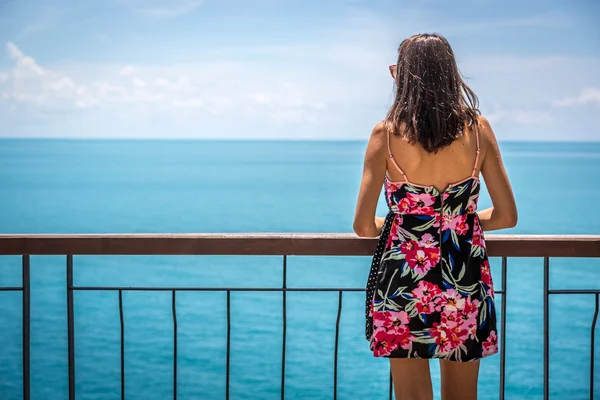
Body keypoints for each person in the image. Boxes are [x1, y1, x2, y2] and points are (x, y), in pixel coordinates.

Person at [353, 33, 518, 400]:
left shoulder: (386, 135)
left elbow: (364, 226)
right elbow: (507, 216)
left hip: (404, 279)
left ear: (404, 77)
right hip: (464, 277)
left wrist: (413, 223)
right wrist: (455, 222)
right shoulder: (479, 130)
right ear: (451, 75)